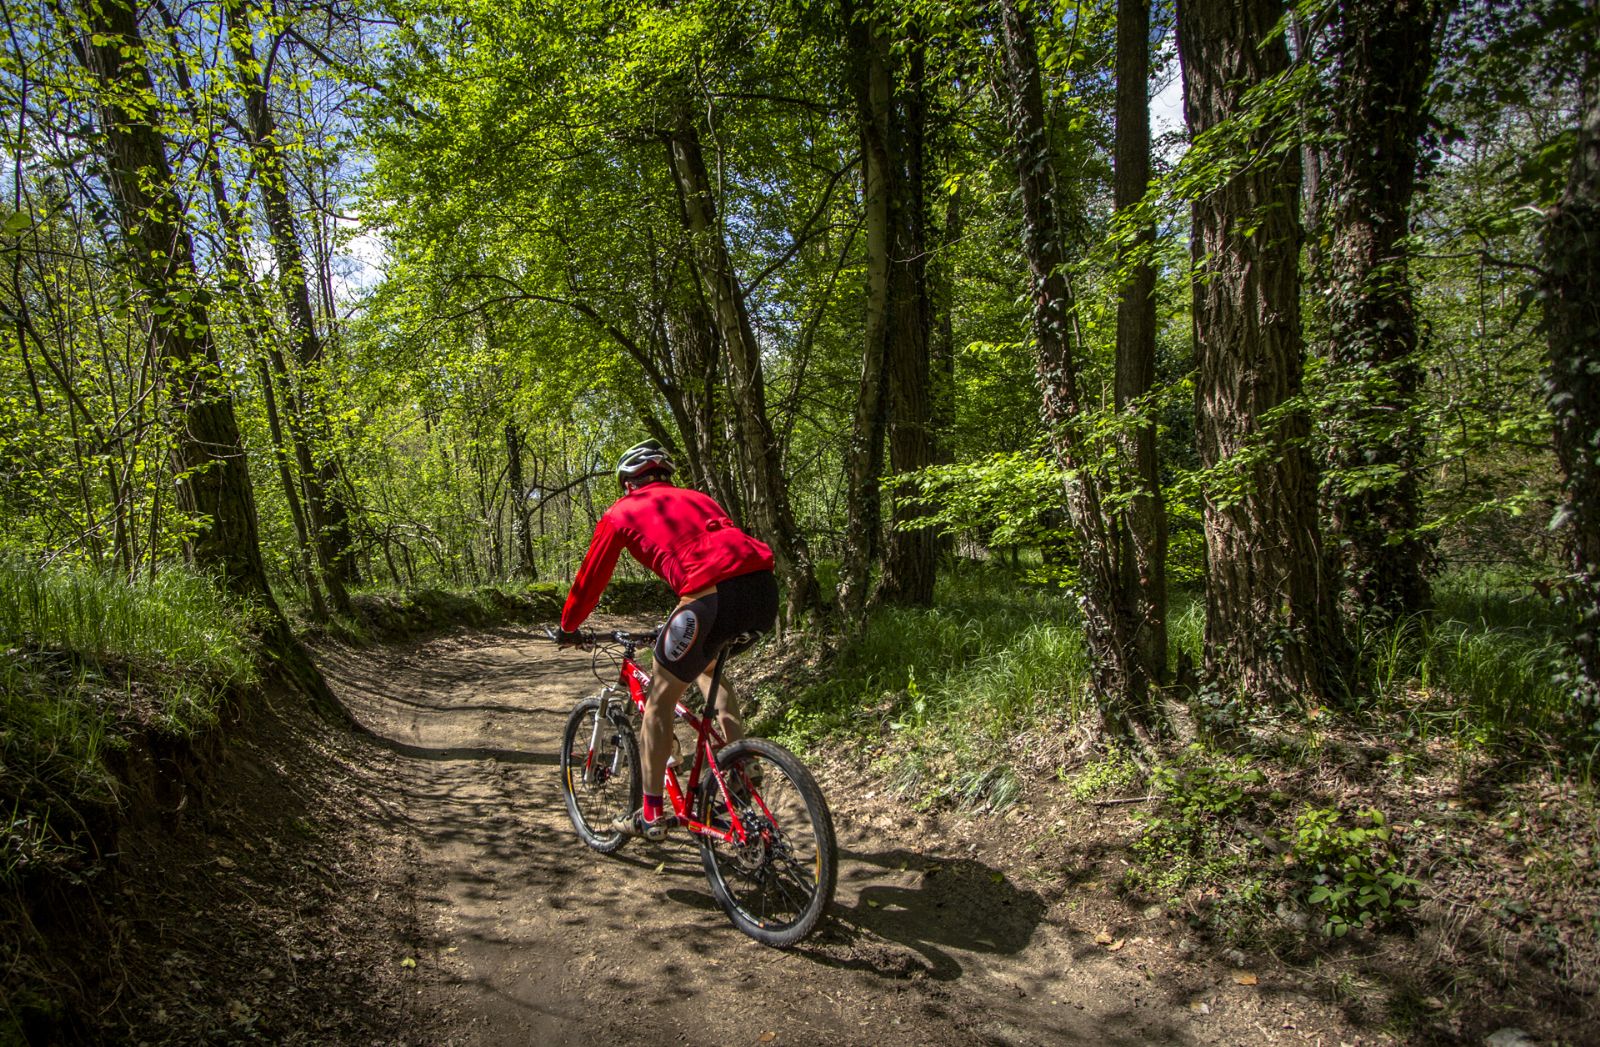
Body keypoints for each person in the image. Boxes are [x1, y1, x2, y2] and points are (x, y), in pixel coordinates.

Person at [556, 439, 779, 841]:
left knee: (658, 702)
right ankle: (742, 765)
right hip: (763, 592)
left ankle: (650, 815)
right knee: (709, 668)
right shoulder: (699, 499)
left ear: (629, 483)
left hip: (708, 598)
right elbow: (717, 554)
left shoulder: (622, 511)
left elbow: (591, 579)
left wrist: (569, 626)